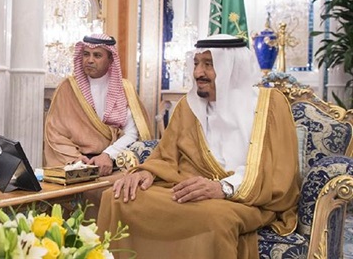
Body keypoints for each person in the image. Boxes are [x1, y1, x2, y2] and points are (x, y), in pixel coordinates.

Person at [97, 34, 300, 259]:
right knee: (117, 197)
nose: (198, 73)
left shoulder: (270, 104)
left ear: (231, 67)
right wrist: (146, 171)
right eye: (196, 64)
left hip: (248, 197)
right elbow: (166, 154)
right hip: (188, 187)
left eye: (208, 64)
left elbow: (279, 169)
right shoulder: (188, 106)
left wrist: (224, 188)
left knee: (215, 219)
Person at [44, 33, 152, 176]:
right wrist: (76, 160)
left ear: (110, 59)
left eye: (97, 55)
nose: (90, 60)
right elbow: (55, 132)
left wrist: (108, 155)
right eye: (86, 54)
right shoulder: (68, 88)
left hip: (114, 161)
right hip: (74, 163)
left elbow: (133, 132)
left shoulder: (125, 89)